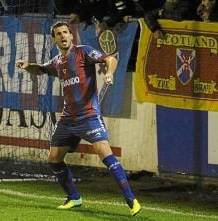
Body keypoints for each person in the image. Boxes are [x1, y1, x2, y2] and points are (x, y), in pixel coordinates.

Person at [15, 21, 141, 216]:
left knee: (105, 155)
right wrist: (27, 66)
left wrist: (108, 73)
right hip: (68, 120)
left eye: (66, 32)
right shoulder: (57, 62)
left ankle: (131, 200)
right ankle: (74, 197)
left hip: (89, 116)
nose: (63, 36)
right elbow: (40, 69)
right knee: (54, 159)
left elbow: (111, 59)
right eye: (59, 34)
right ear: (54, 39)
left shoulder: (84, 52)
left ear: (71, 36)